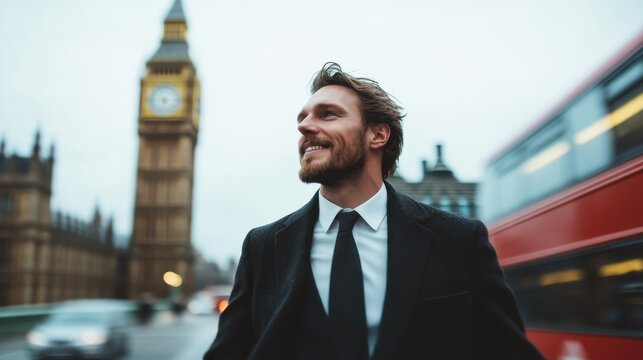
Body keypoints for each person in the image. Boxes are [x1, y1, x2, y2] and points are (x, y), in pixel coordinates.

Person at [203, 63, 543, 360]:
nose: (304, 126)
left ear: (377, 134)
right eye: (302, 117)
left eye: (327, 114)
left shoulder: (458, 240)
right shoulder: (263, 246)